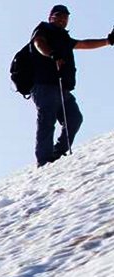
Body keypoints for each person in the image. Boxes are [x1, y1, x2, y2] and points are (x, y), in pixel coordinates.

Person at [29, 5, 114, 167]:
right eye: (59, 16)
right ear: (51, 17)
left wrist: (108, 41)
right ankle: (44, 161)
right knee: (47, 120)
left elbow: (83, 44)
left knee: (74, 118)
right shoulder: (43, 29)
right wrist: (52, 54)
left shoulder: (64, 38)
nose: (62, 19)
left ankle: (58, 152)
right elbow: (39, 43)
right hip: (45, 85)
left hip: (62, 88)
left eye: (65, 17)